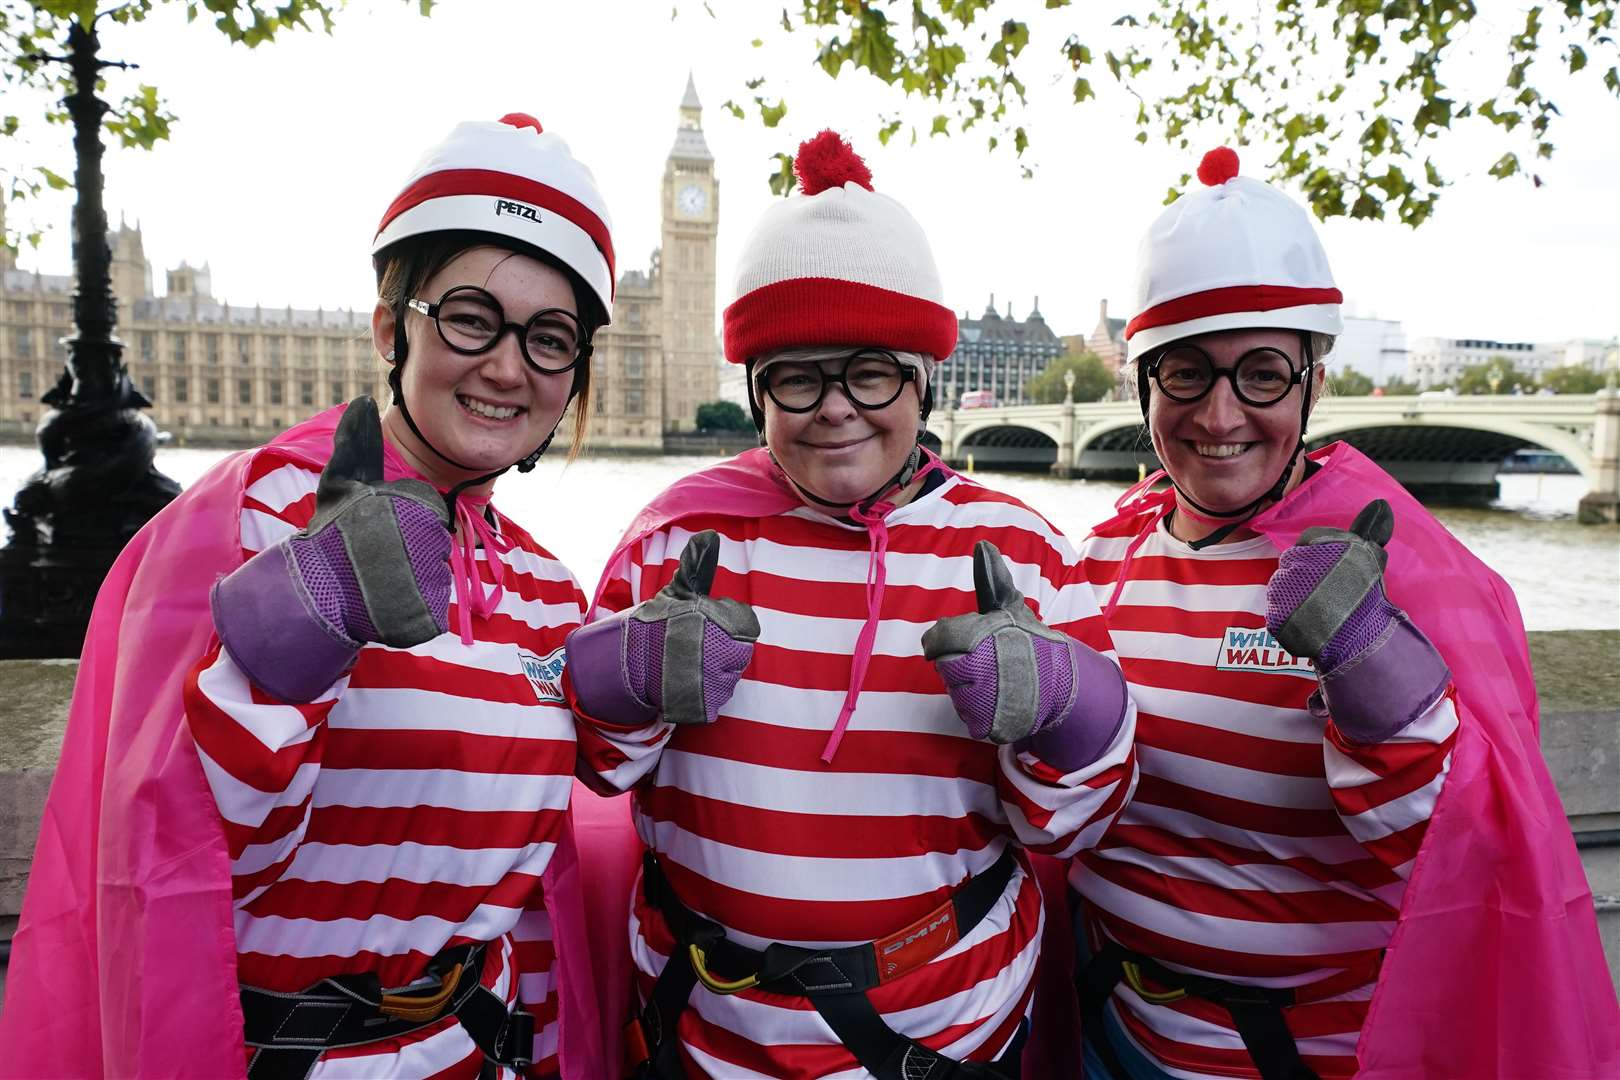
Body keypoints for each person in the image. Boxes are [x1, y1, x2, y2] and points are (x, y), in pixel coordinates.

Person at [0, 114, 619, 1079]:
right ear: (390, 326)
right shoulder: (253, 521)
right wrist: (295, 640)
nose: (509, 366)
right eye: (470, 317)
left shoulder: (546, 584)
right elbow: (180, 866)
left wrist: (641, 705)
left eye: (551, 339)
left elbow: (535, 873)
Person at [563, 131, 1140, 1079]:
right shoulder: (674, 537)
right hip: (708, 1035)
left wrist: (1066, 713)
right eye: (797, 374)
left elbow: (1070, 823)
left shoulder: (1020, 549)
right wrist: (620, 682)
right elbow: (603, 769)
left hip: (950, 1034)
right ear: (757, 391)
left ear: (919, 380)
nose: (836, 407)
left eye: (868, 371)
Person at [1068, 146, 1619, 1079]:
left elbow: (1463, 853)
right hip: (1110, 1038)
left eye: (1264, 373)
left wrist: (1374, 669)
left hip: (1313, 1056)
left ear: (1315, 379)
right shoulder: (1095, 562)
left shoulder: (1404, 569)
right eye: (1186, 373)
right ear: (1143, 382)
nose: (1220, 412)